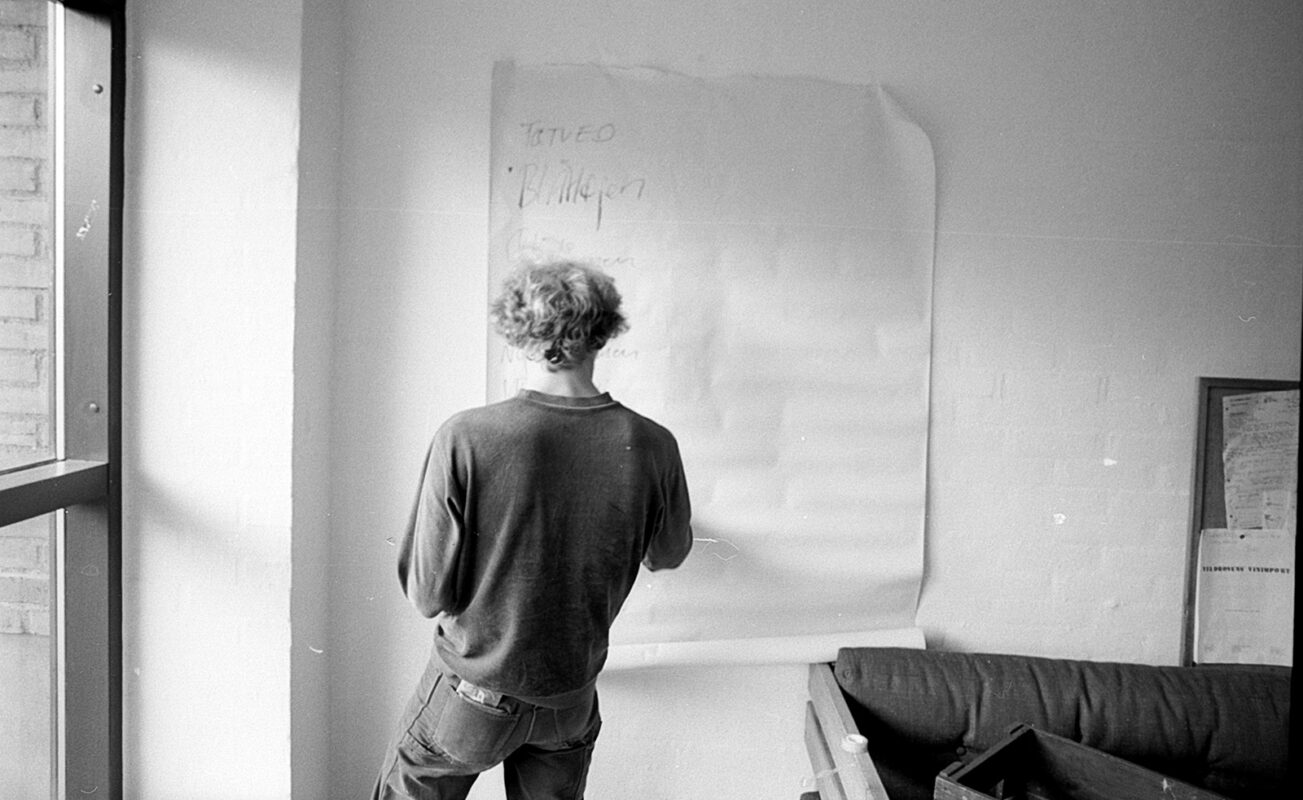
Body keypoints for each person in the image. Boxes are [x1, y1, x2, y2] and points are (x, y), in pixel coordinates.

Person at [371, 259, 693, 800]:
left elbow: (428, 595)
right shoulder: (654, 444)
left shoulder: (467, 436)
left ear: (519, 332)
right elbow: (669, 553)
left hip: (474, 692)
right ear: (603, 332)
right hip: (570, 700)